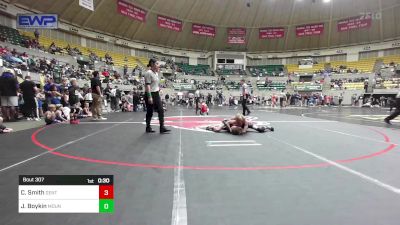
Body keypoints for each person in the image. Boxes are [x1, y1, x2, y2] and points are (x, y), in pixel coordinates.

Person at [144, 59, 170, 133]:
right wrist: (149, 97)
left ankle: (162, 128)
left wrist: (159, 89)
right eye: (157, 63)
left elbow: (156, 84)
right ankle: (148, 127)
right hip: (150, 94)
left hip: (156, 94)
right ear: (152, 64)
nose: (159, 65)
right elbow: (148, 86)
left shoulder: (156, 73)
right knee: (150, 112)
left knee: (161, 110)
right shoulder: (148, 73)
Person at [206, 114, 274, 135]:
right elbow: (227, 122)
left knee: (260, 129)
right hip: (231, 124)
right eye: (238, 122)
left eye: (240, 122)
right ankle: (211, 127)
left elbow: (244, 130)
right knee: (218, 129)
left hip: (245, 126)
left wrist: (243, 130)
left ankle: (267, 127)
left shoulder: (245, 122)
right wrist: (229, 129)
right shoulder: (234, 121)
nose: (239, 123)